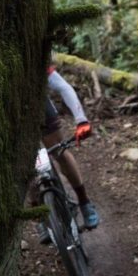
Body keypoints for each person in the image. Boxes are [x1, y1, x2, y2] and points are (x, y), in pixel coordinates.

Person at [43, 66, 98, 230]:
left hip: (40, 110)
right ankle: (40, 218)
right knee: (25, 167)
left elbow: (62, 86)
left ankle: (84, 202)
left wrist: (81, 120)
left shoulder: (32, 58)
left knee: (59, 151)